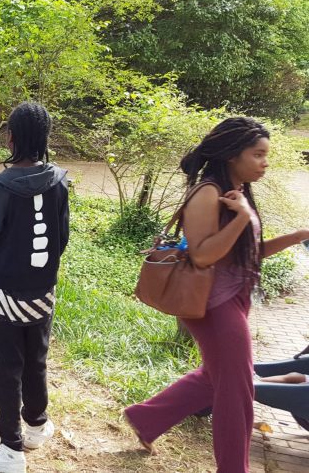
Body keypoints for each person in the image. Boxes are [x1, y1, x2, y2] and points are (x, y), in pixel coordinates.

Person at [123, 117, 309, 472]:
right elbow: (204, 255)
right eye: (257, 154)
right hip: (213, 306)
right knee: (236, 393)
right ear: (231, 156)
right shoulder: (208, 193)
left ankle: (145, 419)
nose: (265, 162)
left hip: (230, 301)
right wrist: (242, 218)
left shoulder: (236, 195)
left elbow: (245, 253)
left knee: (216, 377)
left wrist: (297, 234)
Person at [0, 102, 69, 473]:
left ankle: (10, 448)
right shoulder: (60, 180)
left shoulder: (0, 185)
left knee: (7, 368)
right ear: (44, 137)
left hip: (6, 293)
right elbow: (63, 236)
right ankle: (37, 424)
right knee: (36, 359)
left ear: (11, 137)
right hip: (43, 291)